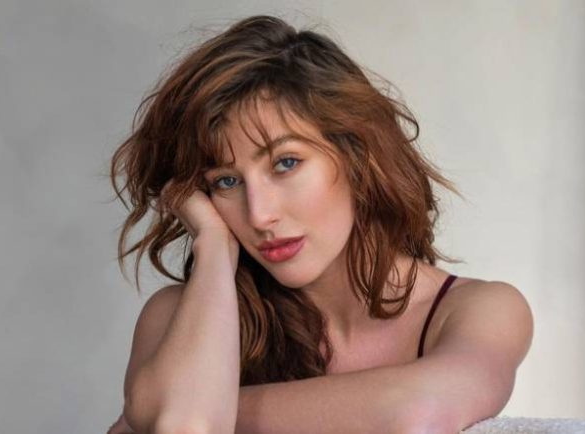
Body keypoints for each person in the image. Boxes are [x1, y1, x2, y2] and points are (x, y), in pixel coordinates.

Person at [106, 14, 533, 434]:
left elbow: (417, 413)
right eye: (227, 182)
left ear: (357, 154)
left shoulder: (476, 310)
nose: (259, 215)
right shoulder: (177, 317)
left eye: (286, 163)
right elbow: (186, 426)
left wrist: (180, 408)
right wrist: (213, 245)